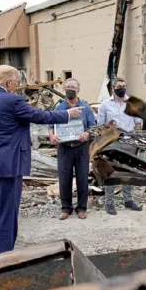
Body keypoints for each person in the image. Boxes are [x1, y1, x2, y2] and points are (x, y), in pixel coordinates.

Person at [0, 65, 82, 258]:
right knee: (6, 215)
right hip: (7, 167)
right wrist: (67, 115)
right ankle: (5, 261)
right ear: (8, 82)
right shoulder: (12, 100)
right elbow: (38, 116)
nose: (18, 86)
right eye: (16, 83)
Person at [48, 78, 95, 220]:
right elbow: (51, 125)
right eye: (68, 87)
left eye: (73, 87)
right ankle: (66, 208)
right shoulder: (59, 108)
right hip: (64, 147)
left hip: (81, 148)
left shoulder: (86, 108)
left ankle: (81, 208)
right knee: (64, 178)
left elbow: (93, 127)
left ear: (78, 90)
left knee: (82, 178)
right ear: (64, 89)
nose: (70, 89)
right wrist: (52, 136)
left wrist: (87, 134)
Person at [97, 77, 143, 215]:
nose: (122, 88)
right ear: (113, 88)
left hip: (129, 142)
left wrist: (137, 140)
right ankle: (109, 202)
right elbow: (100, 126)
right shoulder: (105, 105)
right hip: (112, 144)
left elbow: (138, 124)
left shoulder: (132, 103)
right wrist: (109, 129)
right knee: (111, 171)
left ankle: (128, 200)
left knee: (127, 172)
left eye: (124, 85)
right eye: (119, 86)